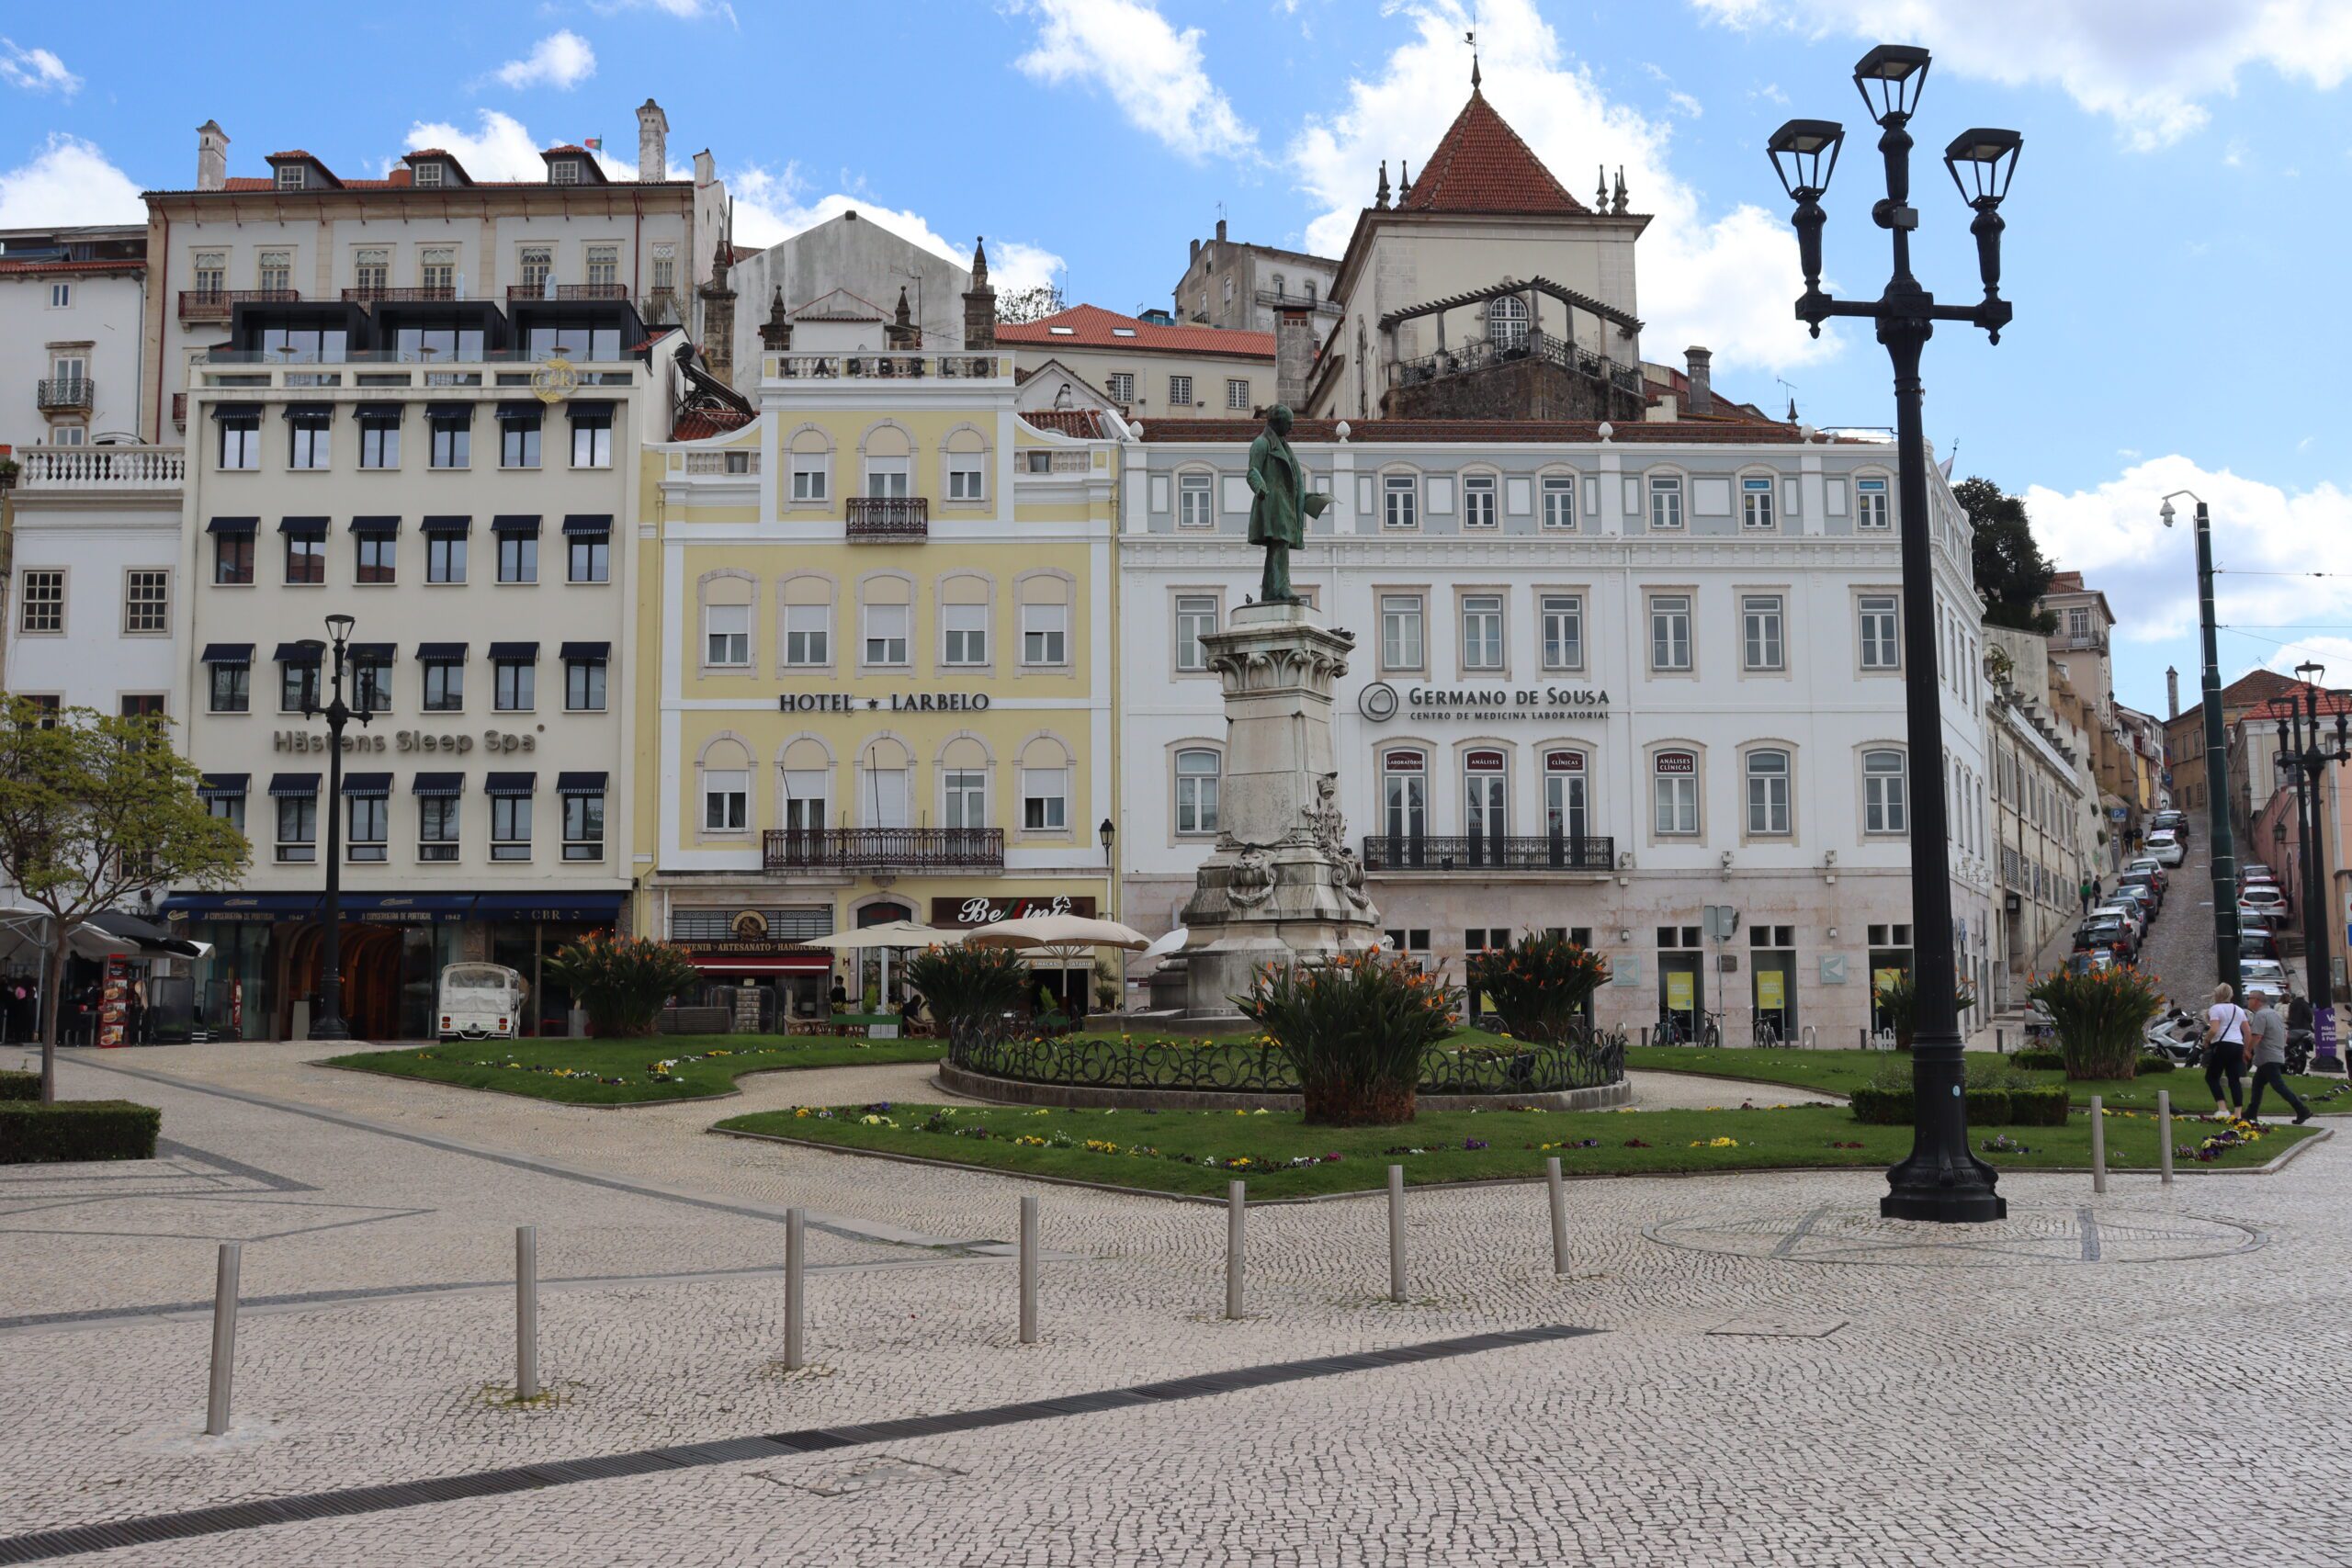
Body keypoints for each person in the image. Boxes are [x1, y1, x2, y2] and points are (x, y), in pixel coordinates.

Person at [2242, 985, 2312, 1124]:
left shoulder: (2261, 1015)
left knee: (2279, 1086)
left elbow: (2257, 1036)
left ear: (2256, 1000)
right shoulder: (2274, 1014)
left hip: (2268, 1057)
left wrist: (2247, 1050)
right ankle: (2251, 1112)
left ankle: (2302, 1109)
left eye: (2249, 998)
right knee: (2257, 1084)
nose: (2247, 1001)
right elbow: (2285, 1034)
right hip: (2272, 1055)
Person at [2204, 982, 2249, 1120]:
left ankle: (2222, 1108)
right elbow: (2247, 1031)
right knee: (2234, 1079)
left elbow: (2214, 1029)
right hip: (2237, 1045)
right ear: (2231, 995)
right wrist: (2246, 1049)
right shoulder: (2239, 1009)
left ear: (2217, 994)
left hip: (2223, 1045)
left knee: (2211, 1077)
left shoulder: (2215, 1009)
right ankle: (2238, 1113)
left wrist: (2206, 1040)